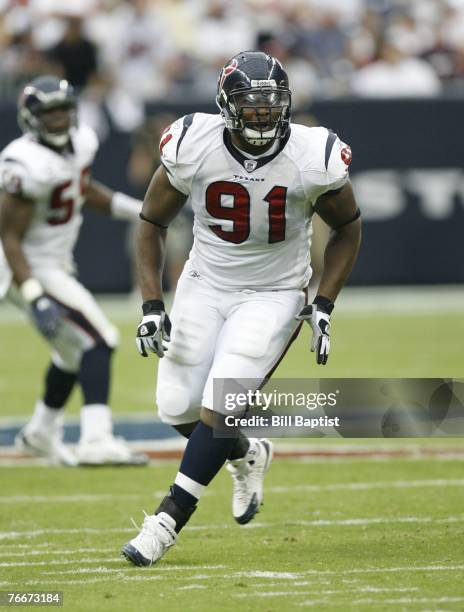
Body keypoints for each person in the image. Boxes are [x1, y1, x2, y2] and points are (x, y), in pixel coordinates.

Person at [122, 51, 361, 566]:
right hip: (205, 282)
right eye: (250, 105)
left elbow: (348, 226)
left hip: (275, 293)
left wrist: (323, 302)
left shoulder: (311, 153)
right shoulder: (194, 142)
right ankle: (248, 451)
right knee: (176, 406)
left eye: (271, 104)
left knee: (221, 398)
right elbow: (151, 222)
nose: (262, 115)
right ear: (227, 106)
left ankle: (166, 520)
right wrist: (150, 303)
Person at [0, 75, 147, 466]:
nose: (60, 119)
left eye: (64, 110)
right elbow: (9, 238)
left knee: (70, 353)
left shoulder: (82, 144)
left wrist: (141, 212)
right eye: (50, 113)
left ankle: (40, 433)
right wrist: (34, 295)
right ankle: (96, 439)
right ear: (32, 118)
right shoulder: (24, 162)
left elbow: (82, 189)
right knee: (100, 339)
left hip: (52, 263)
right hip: (25, 267)